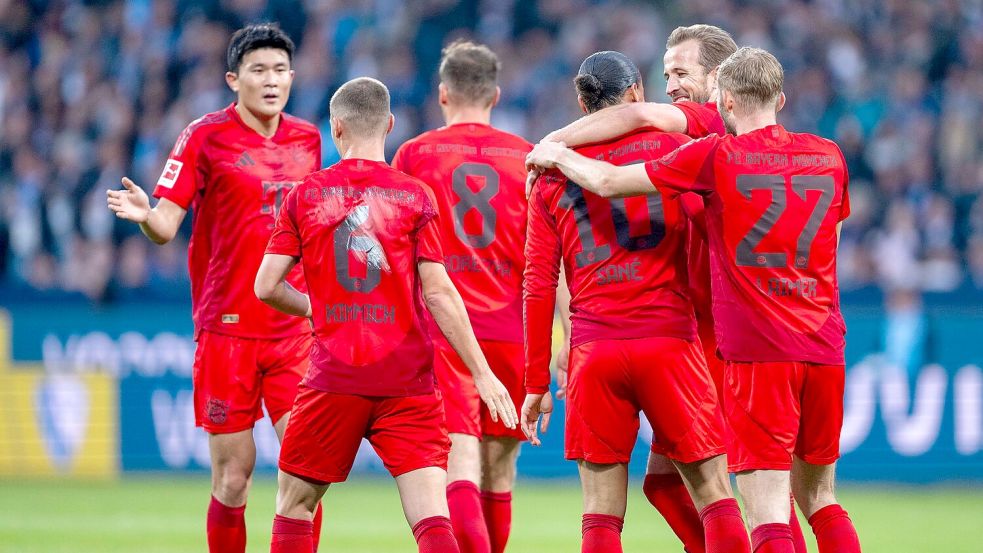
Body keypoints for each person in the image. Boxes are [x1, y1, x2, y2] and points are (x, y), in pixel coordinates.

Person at [525, 47, 862, 553]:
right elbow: (826, 239)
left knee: (610, 511)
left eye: (681, 73)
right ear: (781, 96)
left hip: (663, 347)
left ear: (723, 97)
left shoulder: (705, 154)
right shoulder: (823, 155)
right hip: (773, 342)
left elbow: (546, 268)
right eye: (667, 76)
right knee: (795, 498)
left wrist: (551, 149)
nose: (674, 85)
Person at [255, 77, 519, 553]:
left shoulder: (306, 194)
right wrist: (483, 374)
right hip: (407, 379)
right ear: (390, 125)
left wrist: (316, 308)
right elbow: (439, 293)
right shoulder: (416, 196)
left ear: (336, 129)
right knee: (432, 518)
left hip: (333, 374)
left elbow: (266, 286)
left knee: (295, 505)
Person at [521, 50, 751, 553]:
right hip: (669, 342)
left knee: (600, 516)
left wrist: (535, 380)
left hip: (594, 351)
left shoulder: (550, 175)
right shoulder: (679, 150)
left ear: (582, 103)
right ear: (636, 94)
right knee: (714, 495)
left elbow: (538, 282)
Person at [106, 23, 323, 553]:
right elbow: (164, 228)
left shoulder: (309, 139)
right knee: (234, 478)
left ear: (292, 77)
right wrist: (144, 216)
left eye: (279, 70)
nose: (271, 81)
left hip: (295, 328)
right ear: (234, 79)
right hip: (228, 330)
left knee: (307, 477)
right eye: (258, 71)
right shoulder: (205, 136)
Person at [392, 40, 532, 553]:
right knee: (501, 469)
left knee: (460, 461)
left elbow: (395, 245)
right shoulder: (527, 157)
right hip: (512, 330)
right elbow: (548, 256)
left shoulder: (414, 154)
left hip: (445, 328)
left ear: (443, 94)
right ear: (495, 95)